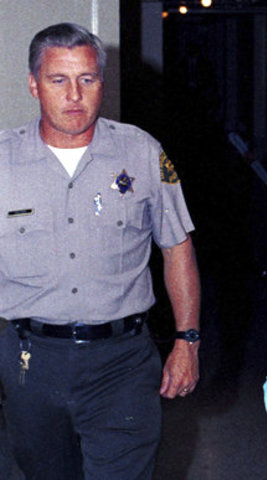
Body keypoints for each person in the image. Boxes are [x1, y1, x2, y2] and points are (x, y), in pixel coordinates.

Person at [0, 23, 201, 479]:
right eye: (58, 80)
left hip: (122, 364)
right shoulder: (4, 161)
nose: (74, 95)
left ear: (102, 84)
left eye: (86, 79)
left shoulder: (141, 153)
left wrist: (187, 340)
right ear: (33, 84)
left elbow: (177, 247)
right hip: (31, 363)